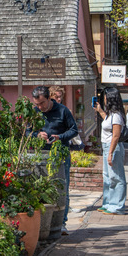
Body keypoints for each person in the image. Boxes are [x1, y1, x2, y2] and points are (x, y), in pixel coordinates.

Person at [30, 85, 78, 235]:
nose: (40, 107)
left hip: (60, 154)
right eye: (37, 104)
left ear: (49, 99)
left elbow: (74, 130)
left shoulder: (63, 110)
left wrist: (60, 137)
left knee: (62, 188)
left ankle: (61, 223)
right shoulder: (35, 112)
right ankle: (44, 223)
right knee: (41, 188)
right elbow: (26, 132)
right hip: (41, 155)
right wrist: (36, 135)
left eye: (42, 103)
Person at [93, 86, 127, 215]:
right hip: (107, 146)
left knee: (116, 177)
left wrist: (111, 152)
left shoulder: (117, 115)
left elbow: (116, 135)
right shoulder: (111, 115)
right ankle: (108, 203)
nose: (104, 99)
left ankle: (117, 206)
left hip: (113, 147)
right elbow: (107, 122)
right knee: (107, 177)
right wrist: (100, 110)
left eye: (105, 97)